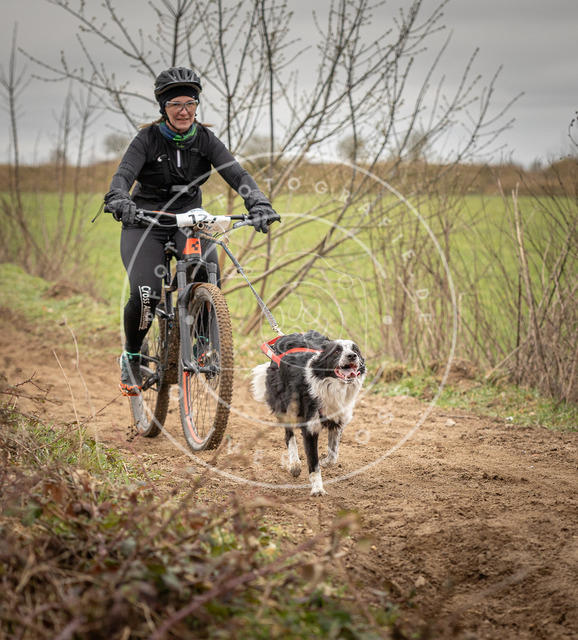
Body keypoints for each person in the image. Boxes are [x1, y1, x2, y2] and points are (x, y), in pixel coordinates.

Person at [104, 67, 280, 396]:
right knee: (146, 294)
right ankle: (132, 356)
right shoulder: (147, 139)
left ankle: (201, 341)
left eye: (190, 103)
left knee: (206, 272)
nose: (183, 110)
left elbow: (237, 174)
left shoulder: (205, 140)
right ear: (163, 107)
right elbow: (123, 174)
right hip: (145, 221)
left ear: (197, 106)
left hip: (188, 220)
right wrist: (119, 198)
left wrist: (258, 201)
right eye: (175, 104)